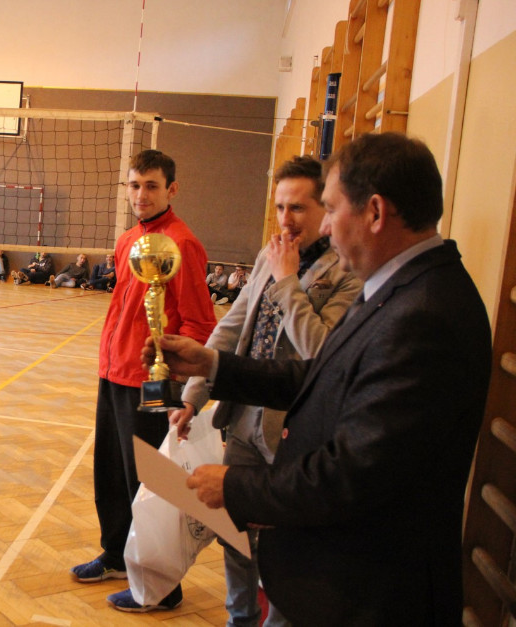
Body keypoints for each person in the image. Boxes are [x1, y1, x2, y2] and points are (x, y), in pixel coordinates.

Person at [152, 133, 491, 625]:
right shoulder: (400, 288)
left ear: (375, 212)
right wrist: (214, 365)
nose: (326, 227)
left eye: (329, 209)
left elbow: (353, 474)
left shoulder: (424, 315)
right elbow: (324, 374)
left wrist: (238, 487)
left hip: (368, 591)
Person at [161, 156, 362, 625]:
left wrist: (288, 280)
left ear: (325, 209)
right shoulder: (267, 254)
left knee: (283, 539)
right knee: (233, 531)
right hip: (243, 419)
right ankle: (240, 618)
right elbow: (231, 328)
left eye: (298, 208)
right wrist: (193, 397)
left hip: (293, 430)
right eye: (280, 207)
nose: (285, 219)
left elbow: (322, 353)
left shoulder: (347, 273)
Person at [69, 149, 216, 614]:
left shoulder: (182, 244)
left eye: (151, 186)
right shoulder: (128, 240)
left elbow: (200, 322)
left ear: (172, 189)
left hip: (152, 383)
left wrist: (175, 379)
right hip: (113, 372)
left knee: (150, 484)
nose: (141, 195)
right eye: (134, 185)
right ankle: (117, 556)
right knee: (112, 473)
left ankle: (162, 586)